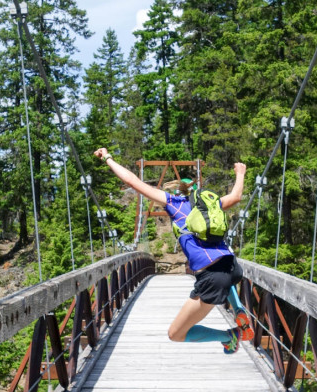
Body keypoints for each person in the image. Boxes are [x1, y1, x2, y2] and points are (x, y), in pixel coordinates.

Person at [94, 148, 254, 353]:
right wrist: (240, 173)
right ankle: (238, 308)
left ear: (179, 191)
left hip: (213, 277)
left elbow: (133, 181)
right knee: (225, 270)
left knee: (176, 334)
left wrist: (108, 158)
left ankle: (232, 335)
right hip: (233, 266)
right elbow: (237, 195)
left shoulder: (174, 204)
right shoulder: (211, 205)